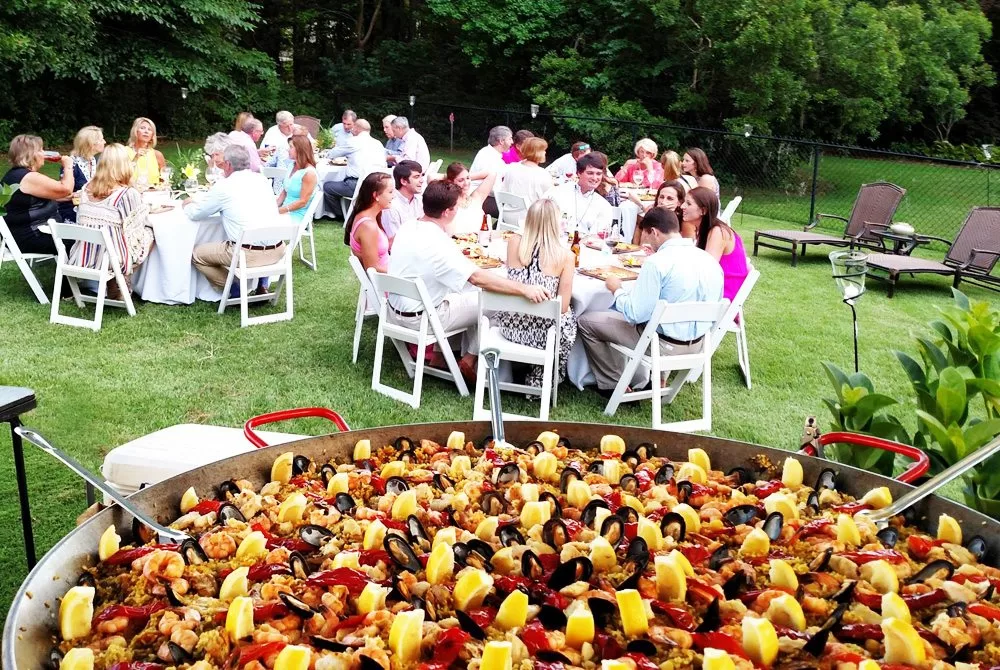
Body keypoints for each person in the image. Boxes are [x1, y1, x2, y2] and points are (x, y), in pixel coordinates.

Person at [386, 180, 552, 384]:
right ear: (447, 212)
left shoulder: (409, 226)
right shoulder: (438, 243)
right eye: (457, 207)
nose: (458, 211)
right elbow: (477, 278)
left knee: (461, 295)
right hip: (422, 320)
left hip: (394, 313)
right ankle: (469, 359)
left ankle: (439, 357)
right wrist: (524, 288)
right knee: (493, 303)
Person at [578, 207, 723, 397]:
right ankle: (657, 379)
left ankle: (613, 384)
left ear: (654, 232)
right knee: (659, 320)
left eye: (645, 235)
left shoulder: (657, 262)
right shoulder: (709, 260)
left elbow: (635, 314)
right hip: (699, 346)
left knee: (586, 321)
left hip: (662, 346)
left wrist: (617, 290)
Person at [494, 198, 577, 388]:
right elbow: (562, 307)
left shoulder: (514, 242)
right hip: (542, 336)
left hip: (510, 326)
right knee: (570, 318)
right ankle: (544, 377)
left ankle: (523, 371)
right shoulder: (565, 256)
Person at [184, 145, 284, 290]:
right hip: (278, 251)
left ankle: (234, 289)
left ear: (228, 164)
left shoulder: (224, 186)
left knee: (197, 255)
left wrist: (187, 204)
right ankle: (261, 283)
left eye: (223, 163)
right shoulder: (262, 180)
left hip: (248, 255)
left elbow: (196, 214)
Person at [71, 144, 154, 292]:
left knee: (115, 233)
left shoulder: (86, 189)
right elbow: (135, 227)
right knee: (150, 232)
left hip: (82, 256)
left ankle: (115, 284)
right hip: (111, 259)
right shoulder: (126, 193)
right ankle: (124, 279)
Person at [1, 134, 74, 255]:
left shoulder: (16, 174)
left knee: (79, 235)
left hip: (24, 233)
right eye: (40, 150)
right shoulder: (28, 177)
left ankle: (67, 271)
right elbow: (66, 189)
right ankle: (73, 272)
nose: (44, 153)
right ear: (31, 154)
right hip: (30, 236)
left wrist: (63, 197)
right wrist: (68, 165)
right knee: (84, 241)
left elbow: (34, 200)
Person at [685, 186, 749, 303]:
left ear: (703, 210)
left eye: (688, 204)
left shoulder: (718, 232)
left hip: (723, 296)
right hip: (716, 290)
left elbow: (707, 271)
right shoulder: (706, 229)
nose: (682, 206)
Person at [321, 118, 386, 220]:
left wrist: (326, 153)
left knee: (327, 186)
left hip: (357, 185)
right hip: (378, 185)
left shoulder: (353, 141)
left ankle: (340, 216)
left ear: (356, 128)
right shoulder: (378, 143)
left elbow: (332, 154)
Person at [542, 153, 612, 235]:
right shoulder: (557, 193)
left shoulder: (603, 205)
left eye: (598, 174)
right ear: (579, 173)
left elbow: (600, 236)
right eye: (590, 173)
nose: (595, 178)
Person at [345, 172, 393, 273]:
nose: (394, 196)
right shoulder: (367, 226)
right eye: (390, 192)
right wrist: (401, 273)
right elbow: (372, 269)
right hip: (386, 283)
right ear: (376, 195)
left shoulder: (369, 215)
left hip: (389, 271)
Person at [58, 125, 106, 222]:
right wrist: (79, 195)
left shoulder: (93, 161)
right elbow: (61, 195)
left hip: (89, 210)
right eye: (101, 139)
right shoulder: (71, 164)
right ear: (91, 144)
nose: (105, 142)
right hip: (72, 212)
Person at [470, 125, 513, 217]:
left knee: (512, 209)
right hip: (479, 198)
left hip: (483, 195)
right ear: (501, 141)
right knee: (512, 211)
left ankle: (497, 227)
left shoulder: (490, 153)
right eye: (510, 139)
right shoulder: (490, 157)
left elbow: (506, 169)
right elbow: (494, 189)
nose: (512, 142)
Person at [443, 162, 497, 234]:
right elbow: (431, 176)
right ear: (451, 182)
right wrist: (449, 178)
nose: (466, 183)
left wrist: (466, 176)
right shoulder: (448, 201)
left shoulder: (476, 197)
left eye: (468, 178)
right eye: (460, 180)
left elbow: (492, 174)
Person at [276, 135, 318, 223]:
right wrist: (274, 207)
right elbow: (285, 191)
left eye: (291, 147)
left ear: (300, 150)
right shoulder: (292, 165)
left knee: (262, 221)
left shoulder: (309, 173)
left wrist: (279, 211)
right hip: (284, 210)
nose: (288, 150)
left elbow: (303, 202)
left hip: (297, 215)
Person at [632, 179, 687, 244]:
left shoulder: (685, 219)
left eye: (670, 199)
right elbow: (643, 242)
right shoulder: (651, 213)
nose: (663, 202)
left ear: (679, 203)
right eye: (661, 197)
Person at [501, 137, 552, 208]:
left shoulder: (511, 167)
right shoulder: (543, 174)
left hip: (507, 214)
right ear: (537, 153)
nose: (545, 152)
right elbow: (550, 197)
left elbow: (503, 191)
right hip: (530, 217)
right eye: (543, 150)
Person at [381, 160, 424, 240]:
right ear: (403, 181)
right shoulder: (391, 206)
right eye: (416, 177)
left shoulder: (419, 200)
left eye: (422, 176)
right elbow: (393, 242)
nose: (422, 180)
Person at [126, 117, 166, 187]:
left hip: (153, 193)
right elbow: (121, 176)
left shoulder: (157, 155)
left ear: (152, 135)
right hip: (132, 193)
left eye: (149, 129)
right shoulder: (124, 152)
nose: (146, 131)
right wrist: (135, 158)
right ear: (135, 131)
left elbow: (164, 179)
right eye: (142, 128)